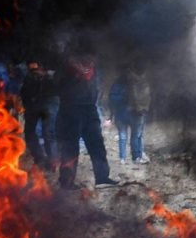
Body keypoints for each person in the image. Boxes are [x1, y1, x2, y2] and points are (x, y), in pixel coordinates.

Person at [56, 36, 119, 190]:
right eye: (90, 56)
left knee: (97, 144)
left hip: (89, 109)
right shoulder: (67, 67)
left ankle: (102, 178)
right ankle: (66, 182)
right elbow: (58, 86)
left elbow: (95, 87)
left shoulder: (92, 70)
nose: (93, 60)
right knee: (70, 147)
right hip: (70, 110)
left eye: (93, 57)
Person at [108, 61, 152, 165]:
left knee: (124, 136)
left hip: (122, 113)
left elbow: (112, 97)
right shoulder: (137, 81)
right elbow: (144, 97)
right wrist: (143, 108)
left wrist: (111, 114)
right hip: (134, 112)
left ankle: (123, 158)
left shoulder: (119, 82)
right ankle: (136, 157)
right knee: (136, 135)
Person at [20, 60, 59, 172]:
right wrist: (27, 105)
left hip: (48, 105)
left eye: (36, 69)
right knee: (29, 133)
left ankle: (52, 162)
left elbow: (57, 92)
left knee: (48, 134)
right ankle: (39, 158)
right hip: (33, 106)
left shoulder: (51, 77)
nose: (34, 71)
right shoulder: (29, 78)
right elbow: (24, 93)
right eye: (32, 69)